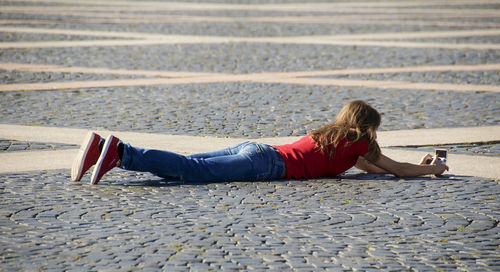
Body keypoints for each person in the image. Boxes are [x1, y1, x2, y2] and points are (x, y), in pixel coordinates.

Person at [71, 100, 449, 185]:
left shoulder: (336, 137)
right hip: (266, 165)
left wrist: (425, 163)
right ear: (366, 128)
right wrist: (435, 170)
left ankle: (101, 151)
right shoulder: (356, 143)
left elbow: (372, 167)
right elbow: (394, 169)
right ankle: (120, 153)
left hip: (257, 150)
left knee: (189, 165)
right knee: (190, 171)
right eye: (374, 129)